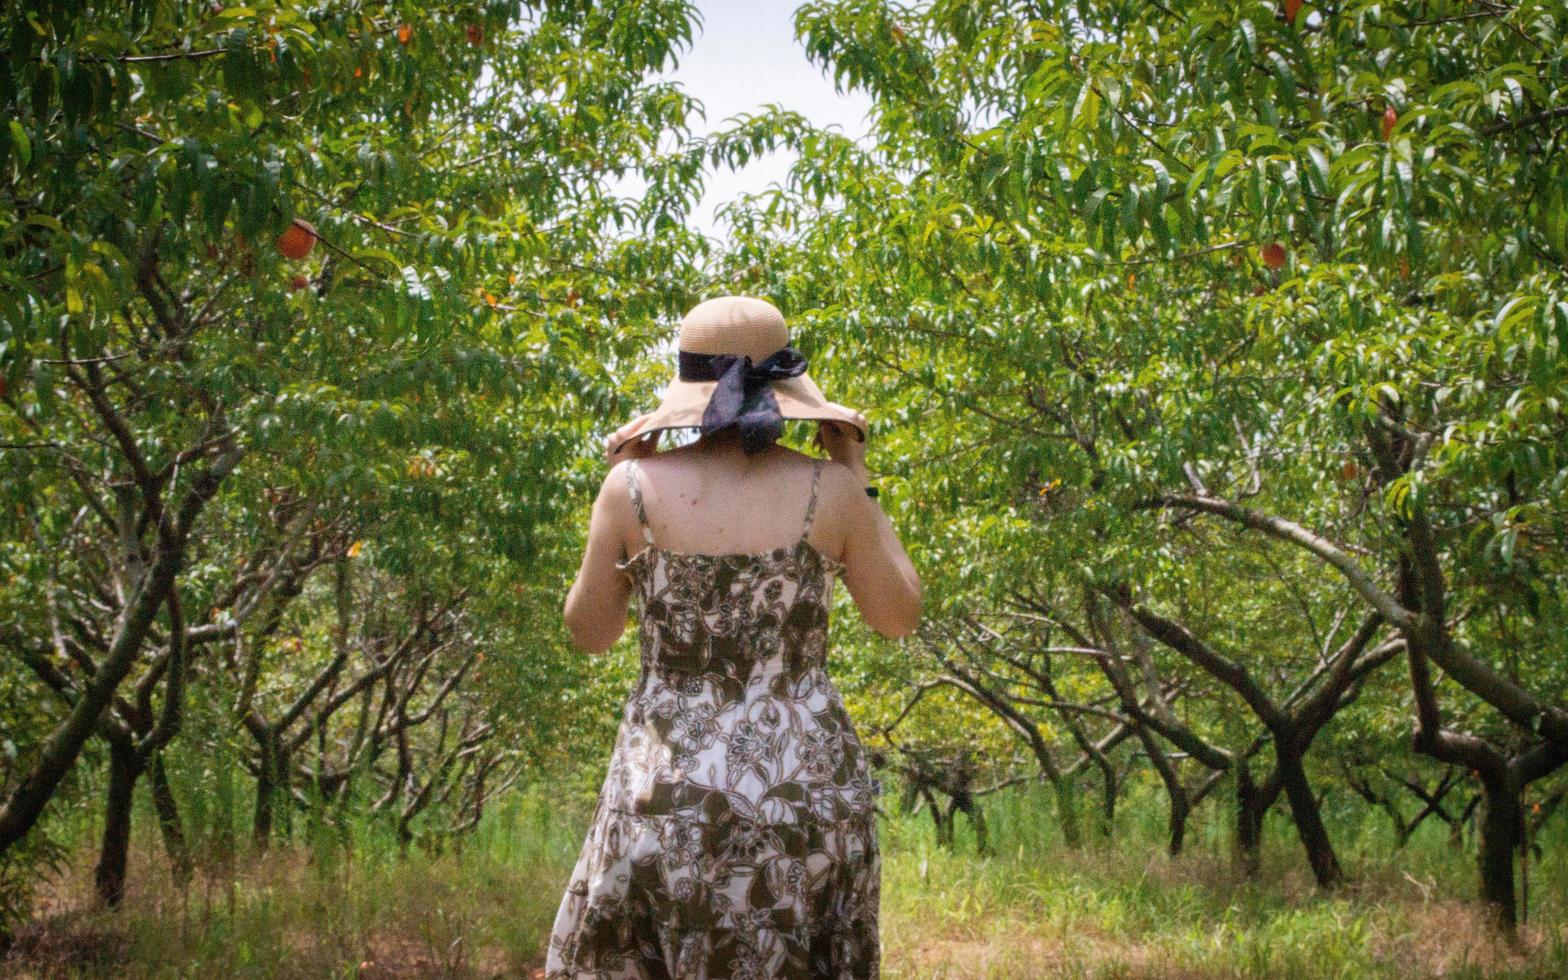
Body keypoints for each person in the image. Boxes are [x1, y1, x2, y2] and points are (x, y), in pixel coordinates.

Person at [544, 296, 921, 979]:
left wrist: (627, 473)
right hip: (804, 792)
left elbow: (590, 632)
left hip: (669, 791)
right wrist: (858, 478)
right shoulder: (829, 490)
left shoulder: (629, 488)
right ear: (784, 388)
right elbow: (898, 616)